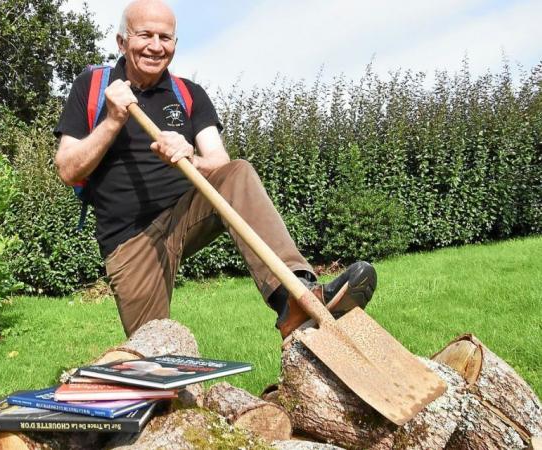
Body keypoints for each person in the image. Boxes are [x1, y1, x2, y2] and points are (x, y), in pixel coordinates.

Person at [54, 0, 377, 339]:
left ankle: (295, 295)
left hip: (185, 215)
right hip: (129, 241)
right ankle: (171, 385)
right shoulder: (92, 87)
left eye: (165, 37)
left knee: (237, 173)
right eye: (144, 35)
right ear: (122, 41)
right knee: (155, 356)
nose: (155, 46)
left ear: (175, 46)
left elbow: (220, 164)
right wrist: (113, 120)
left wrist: (189, 156)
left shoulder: (188, 94)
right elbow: (68, 169)